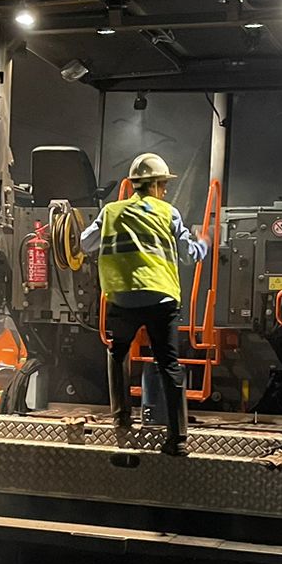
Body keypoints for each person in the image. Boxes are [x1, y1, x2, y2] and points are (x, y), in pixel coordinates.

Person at [80, 152, 210, 456]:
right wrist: (203, 242)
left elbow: (86, 243)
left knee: (118, 353)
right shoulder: (169, 214)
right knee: (169, 364)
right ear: (154, 185)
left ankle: (121, 420)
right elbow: (189, 255)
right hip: (161, 299)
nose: (164, 190)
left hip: (123, 298)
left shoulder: (111, 212)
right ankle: (177, 439)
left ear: (133, 184)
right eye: (163, 185)